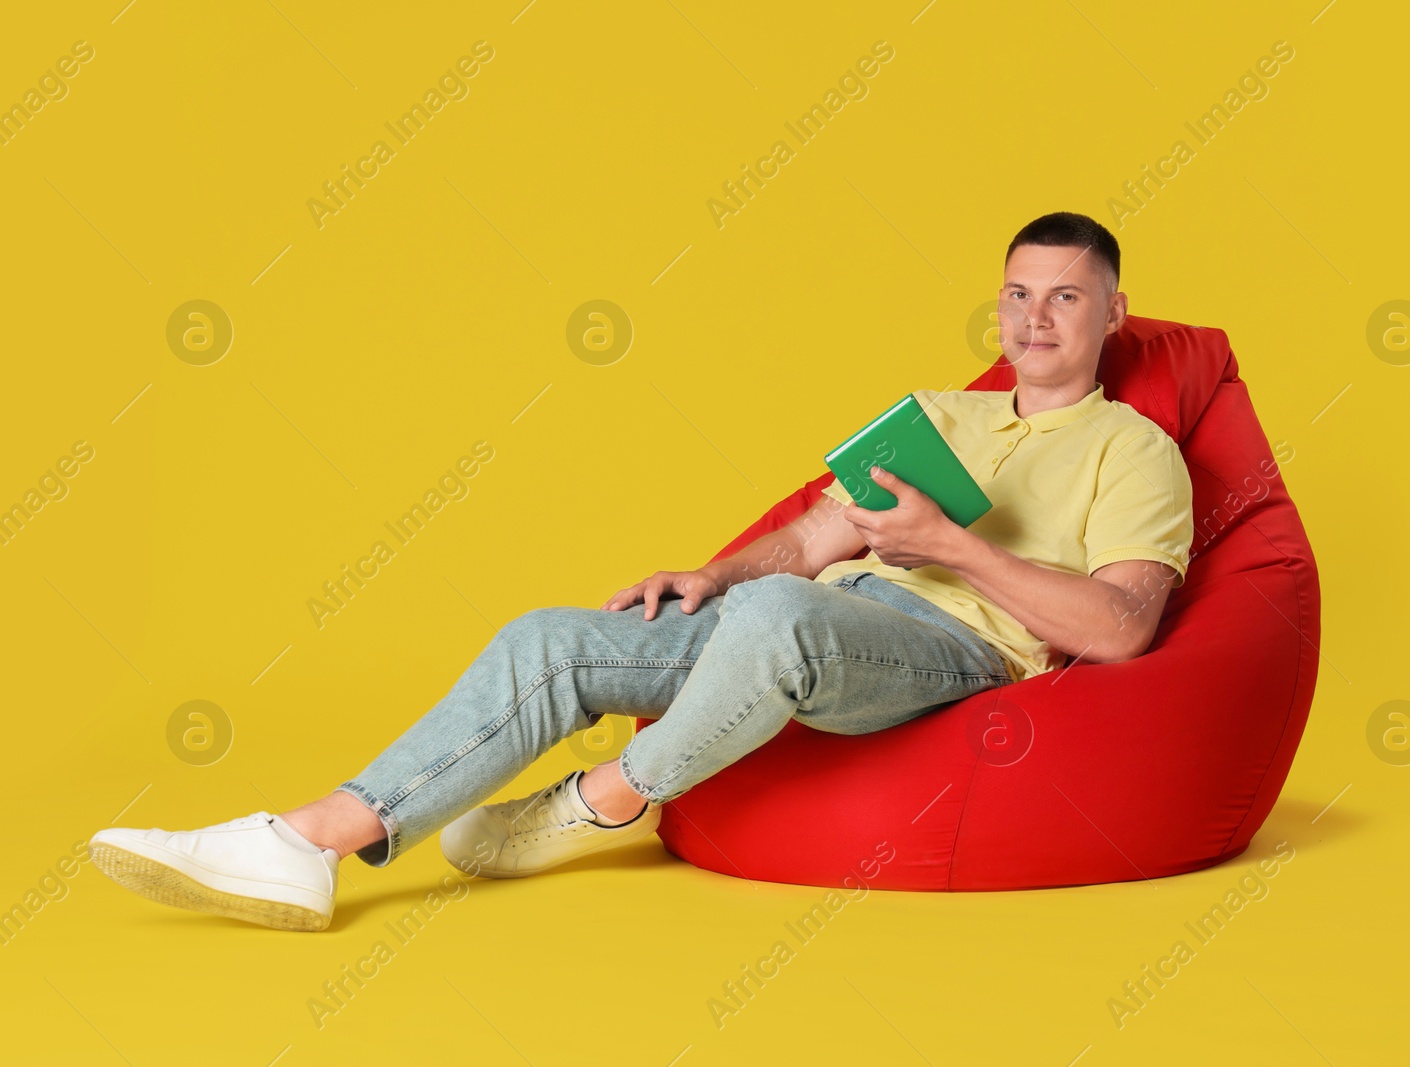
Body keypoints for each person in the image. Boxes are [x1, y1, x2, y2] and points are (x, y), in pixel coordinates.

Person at [89, 211, 1194, 932]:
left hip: (954, 651)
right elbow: (813, 539)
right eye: (1017, 293)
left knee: (778, 613)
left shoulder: (1133, 447)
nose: (1034, 316)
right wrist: (711, 575)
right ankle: (311, 840)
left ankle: (603, 800)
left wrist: (948, 546)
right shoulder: (942, 412)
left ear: (1112, 312)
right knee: (549, 637)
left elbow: (1121, 627)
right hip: (812, 610)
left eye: (1063, 296)